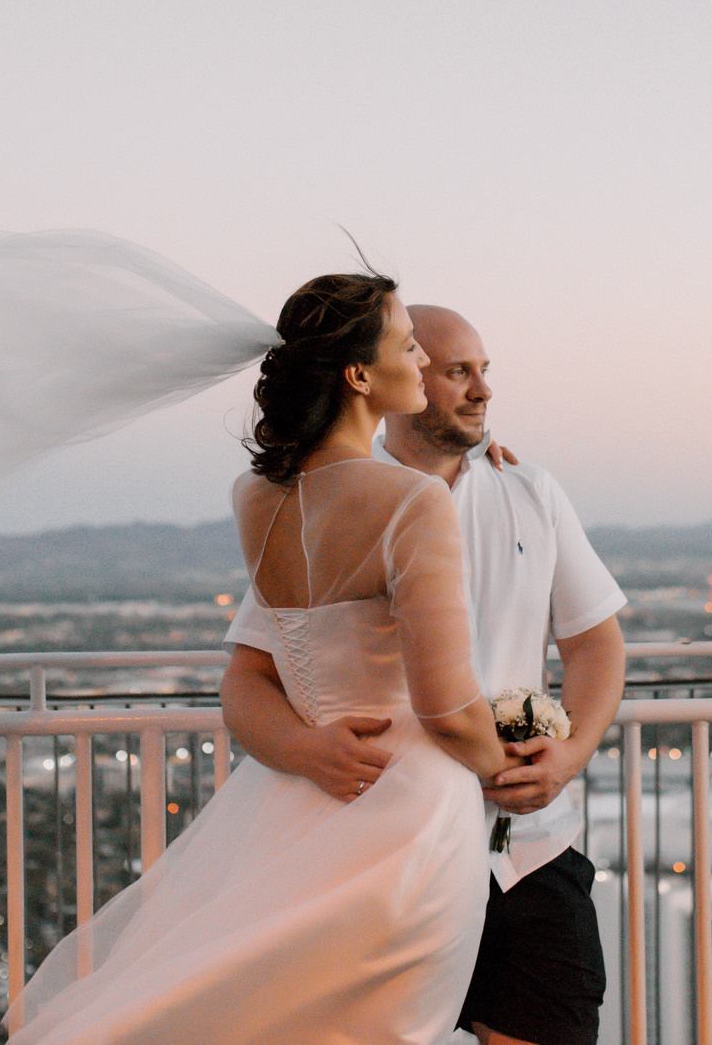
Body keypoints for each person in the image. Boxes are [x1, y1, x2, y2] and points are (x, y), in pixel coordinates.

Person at [4, 274, 514, 1045]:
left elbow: (261, 664)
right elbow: (446, 703)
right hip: (407, 812)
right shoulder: (413, 501)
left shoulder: (256, 495)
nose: (420, 358)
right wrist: (505, 763)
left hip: (294, 798)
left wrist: (308, 746)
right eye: (408, 343)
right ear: (360, 375)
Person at [220, 305, 626, 1045]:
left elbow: (597, 644)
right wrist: (305, 749)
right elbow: (248, 678)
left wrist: (571, 753)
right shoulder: (331, 504)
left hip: (527, 852)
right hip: (380, 859)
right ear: (394, 375)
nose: (483, 390)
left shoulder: (531, 492)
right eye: (456, 369)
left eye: (485, 370)